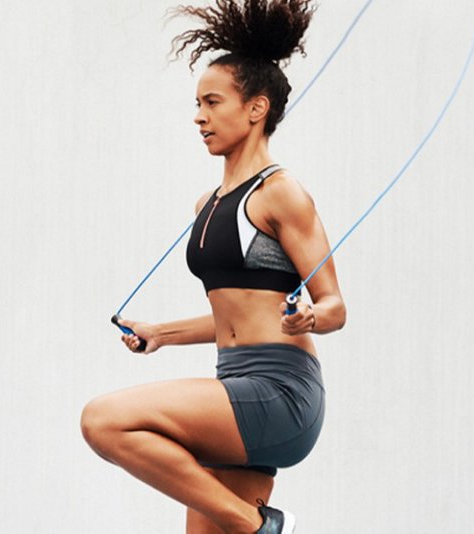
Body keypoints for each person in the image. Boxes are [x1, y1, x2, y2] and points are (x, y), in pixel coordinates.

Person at [80, 1, 345, 532]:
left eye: (212, 102)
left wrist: (308, 319)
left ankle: (261, 526)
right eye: (196, 103)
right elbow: (235, 314)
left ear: (255, 109)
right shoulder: (209, 203)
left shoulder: (281, 193)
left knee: (103, 421)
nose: (198, 116)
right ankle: (252, 524)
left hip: (279, 392)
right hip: (233, 386)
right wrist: (161, 334)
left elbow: (334, 306)